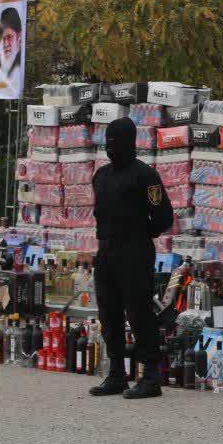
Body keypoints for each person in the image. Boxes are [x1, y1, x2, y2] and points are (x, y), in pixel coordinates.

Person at [89, 117, 175, 399]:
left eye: (116, 142)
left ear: (129, 143)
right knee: (108, 313)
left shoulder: (145, 175)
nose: (110, 148)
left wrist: (140, 234)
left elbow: (163, 216)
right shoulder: (100, 175)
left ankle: (150, 376)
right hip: (105, 252)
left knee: (139, 312)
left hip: (134, 250)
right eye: (107, 142)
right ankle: (117, 373)